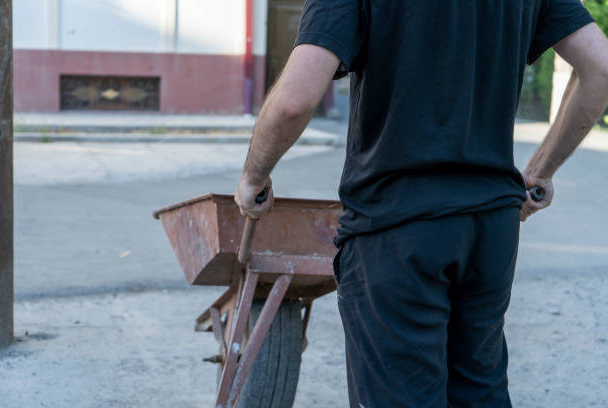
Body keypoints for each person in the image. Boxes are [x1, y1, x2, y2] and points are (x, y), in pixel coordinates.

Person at [234, 0, 608, 406]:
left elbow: (294, 100)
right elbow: (600, 69)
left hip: (396, 229)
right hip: (490, 229)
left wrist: (254, 176)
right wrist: (540, 171)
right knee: (479, 391)